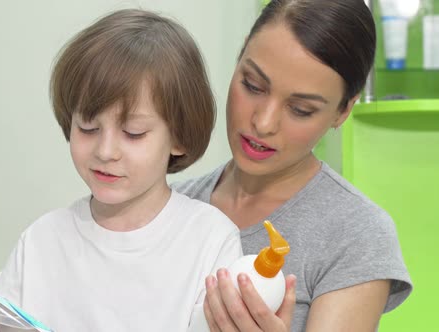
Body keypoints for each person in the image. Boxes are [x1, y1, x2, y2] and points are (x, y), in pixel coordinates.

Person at [0, 9, 246, 332]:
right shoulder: (42, 242)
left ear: (179, 136)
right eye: (87, 126)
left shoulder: (210, 240)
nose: (105, 151)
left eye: (133, 133)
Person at [172, 0, 412, 331]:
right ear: (240, 54)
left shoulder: (356, 235)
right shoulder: (170, 205)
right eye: (253, 85)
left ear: (342, 111)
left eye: (300, 109)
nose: (264, 122)